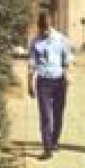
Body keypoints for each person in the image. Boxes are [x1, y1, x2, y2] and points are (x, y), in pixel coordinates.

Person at [26, 11, 74, 160]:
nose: (45, 31)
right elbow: (32, 64)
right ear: (39, 27)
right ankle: (47, 148)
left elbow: (67, 59)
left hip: (59, 81)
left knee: (58, 114)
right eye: (42, 29)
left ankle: (54, 140)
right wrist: (29, 83)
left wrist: (67, 74)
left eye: (47, 28)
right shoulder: (35, 42)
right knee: (46, 116)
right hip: (43, 82)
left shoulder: (61, 39)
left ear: (51, 25)